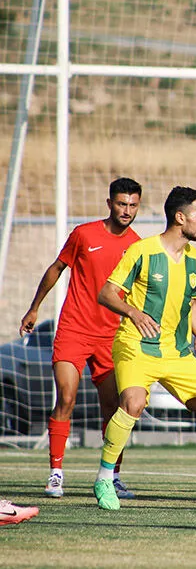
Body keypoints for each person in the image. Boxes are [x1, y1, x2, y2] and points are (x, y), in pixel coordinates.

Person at [92, 186, 196, 512]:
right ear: (181, 218)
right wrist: (134, 313)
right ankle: (105, 478)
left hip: (176, 353)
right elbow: (107, 293)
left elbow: (191, 310)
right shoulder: (143, 251)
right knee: (133, 403)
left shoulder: (195, 260)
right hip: (136, 346)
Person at [19, 177, 142, 500]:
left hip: (112, 336)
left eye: (132, 205)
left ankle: (111, 477)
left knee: (115, 408)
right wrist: (34, 309)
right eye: (121, 204)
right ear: (109, 204)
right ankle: (56, 473)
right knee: (67, 398)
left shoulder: (139, 245)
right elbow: (56, 268)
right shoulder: (84, 234)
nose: (126, 210)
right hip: (73, 330)